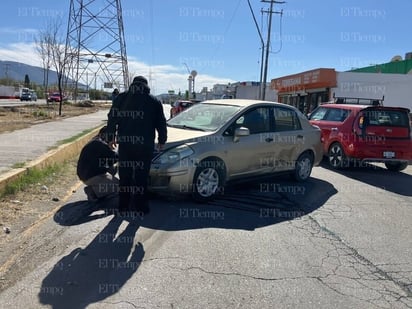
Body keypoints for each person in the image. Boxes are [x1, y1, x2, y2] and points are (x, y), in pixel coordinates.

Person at [106, 76, 167, 215]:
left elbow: (112, 118)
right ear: (146, 85)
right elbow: (161, 123)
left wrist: (110, 137)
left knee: (125, 176)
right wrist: (162, 140)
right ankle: (141, 207)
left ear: (133, 84)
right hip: (145, 145)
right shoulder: (154, 101)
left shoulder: (121, 98)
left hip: (126, 144)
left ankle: (123, 206)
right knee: (141, 176)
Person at [76, 126, 119, 202]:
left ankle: (97, 187)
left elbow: (110, 162)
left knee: (113, 169)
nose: (114, 140)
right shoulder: (100, 144)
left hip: (86, 174)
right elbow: (116, 157)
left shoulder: (96, 141)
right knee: (120, 187)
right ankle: (93, 192)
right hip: (90, 176)